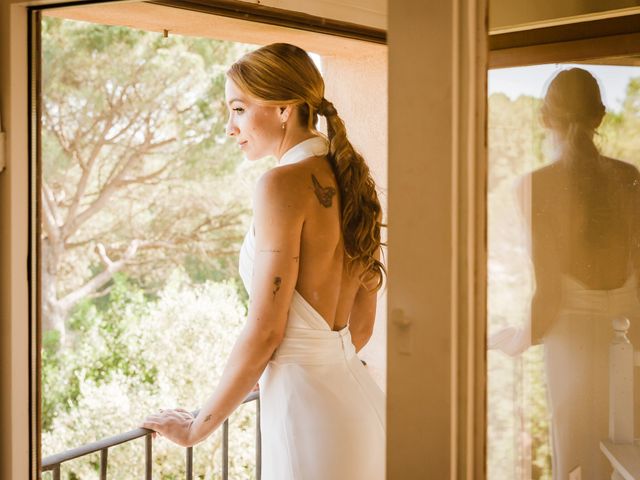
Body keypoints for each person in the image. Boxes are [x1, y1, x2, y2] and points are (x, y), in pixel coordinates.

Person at [141, 43, 386, 480]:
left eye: (238, 109)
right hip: (359, 404)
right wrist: (300, 358)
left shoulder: (279, 185)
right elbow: (362, 323)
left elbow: (267, 328)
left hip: (308, 418)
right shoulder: (351, 177)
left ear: (284, 109)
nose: (230, 127)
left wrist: (196, 428)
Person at [490, 68, 640, 479]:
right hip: (632, 339)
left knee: (577, 460)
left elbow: (550, 294)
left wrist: (518, 339)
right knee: (626, 458)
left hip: (572, 346)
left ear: (544, 118)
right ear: (601, 116)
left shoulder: (536, 186)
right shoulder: (630, 178)